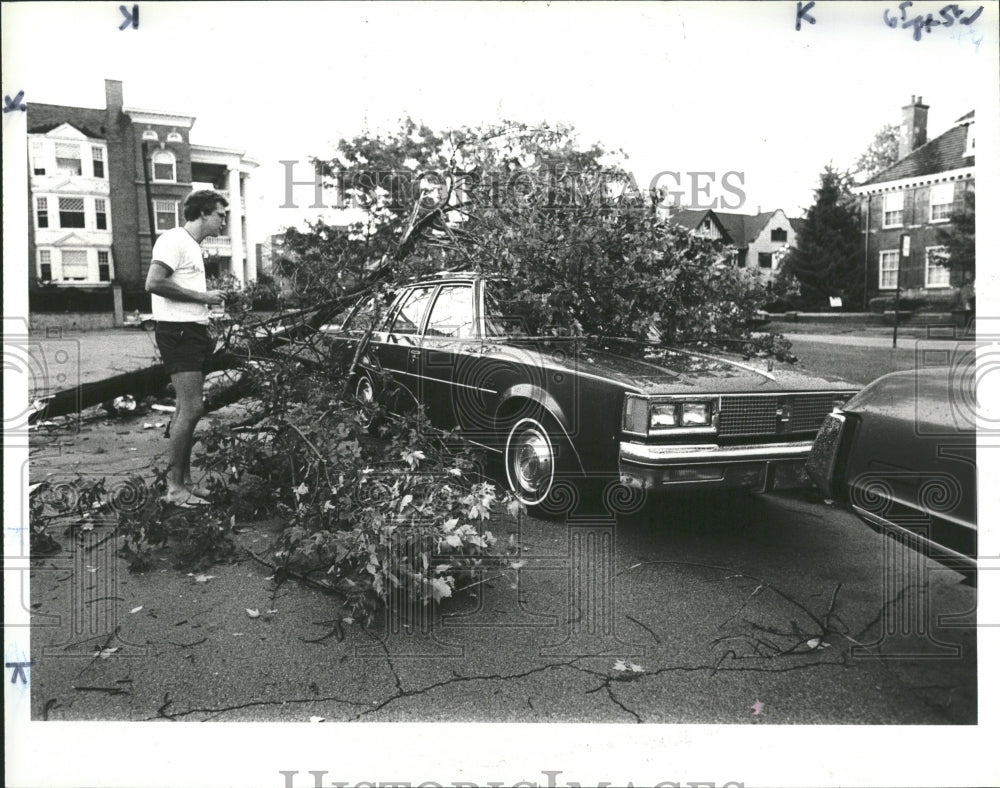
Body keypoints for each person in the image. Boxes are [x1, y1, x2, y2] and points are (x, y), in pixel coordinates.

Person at [145, 190, 229, 506]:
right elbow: (153, 282)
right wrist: (203, 298)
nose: (224, 220)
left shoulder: (191, 246)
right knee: (192, 408)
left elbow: (179, 287)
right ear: (203, 213)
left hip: (191, 331)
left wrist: (205, 308)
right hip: (177, 333)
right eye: (220, 214)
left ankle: (185, 482)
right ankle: (175, 489)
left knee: (185, 408)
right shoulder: (173, 240)